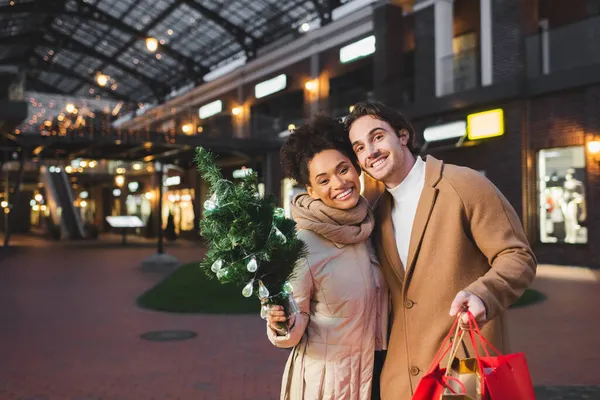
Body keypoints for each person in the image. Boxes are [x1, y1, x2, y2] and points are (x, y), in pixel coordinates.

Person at [342, 101, 537, 400]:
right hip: (400, 379)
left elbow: (517, 256)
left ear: (403, 135)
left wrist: (484, 293)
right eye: (359, 147)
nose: (370, 152)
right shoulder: (376, 215)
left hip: (463, 368)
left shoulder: (464, 184)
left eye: (378, 136)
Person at [265, 115, 388, 399]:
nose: (339, 183)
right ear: (312, 190)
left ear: (357, 169)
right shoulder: (303, 244)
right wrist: (280, 321)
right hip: (328, 385)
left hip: (376, 376)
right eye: (323, 180)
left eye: (343, 169)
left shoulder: (372, 225)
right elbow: (294, 325)